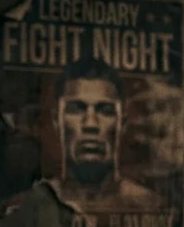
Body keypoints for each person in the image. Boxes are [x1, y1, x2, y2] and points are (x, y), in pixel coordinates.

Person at [49, 56, 163, 214]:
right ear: (57, 120)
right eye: (76, 109)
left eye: (105, 110)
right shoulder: (28, 208)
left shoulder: (153, 208)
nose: (90, 124)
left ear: (122, 123)